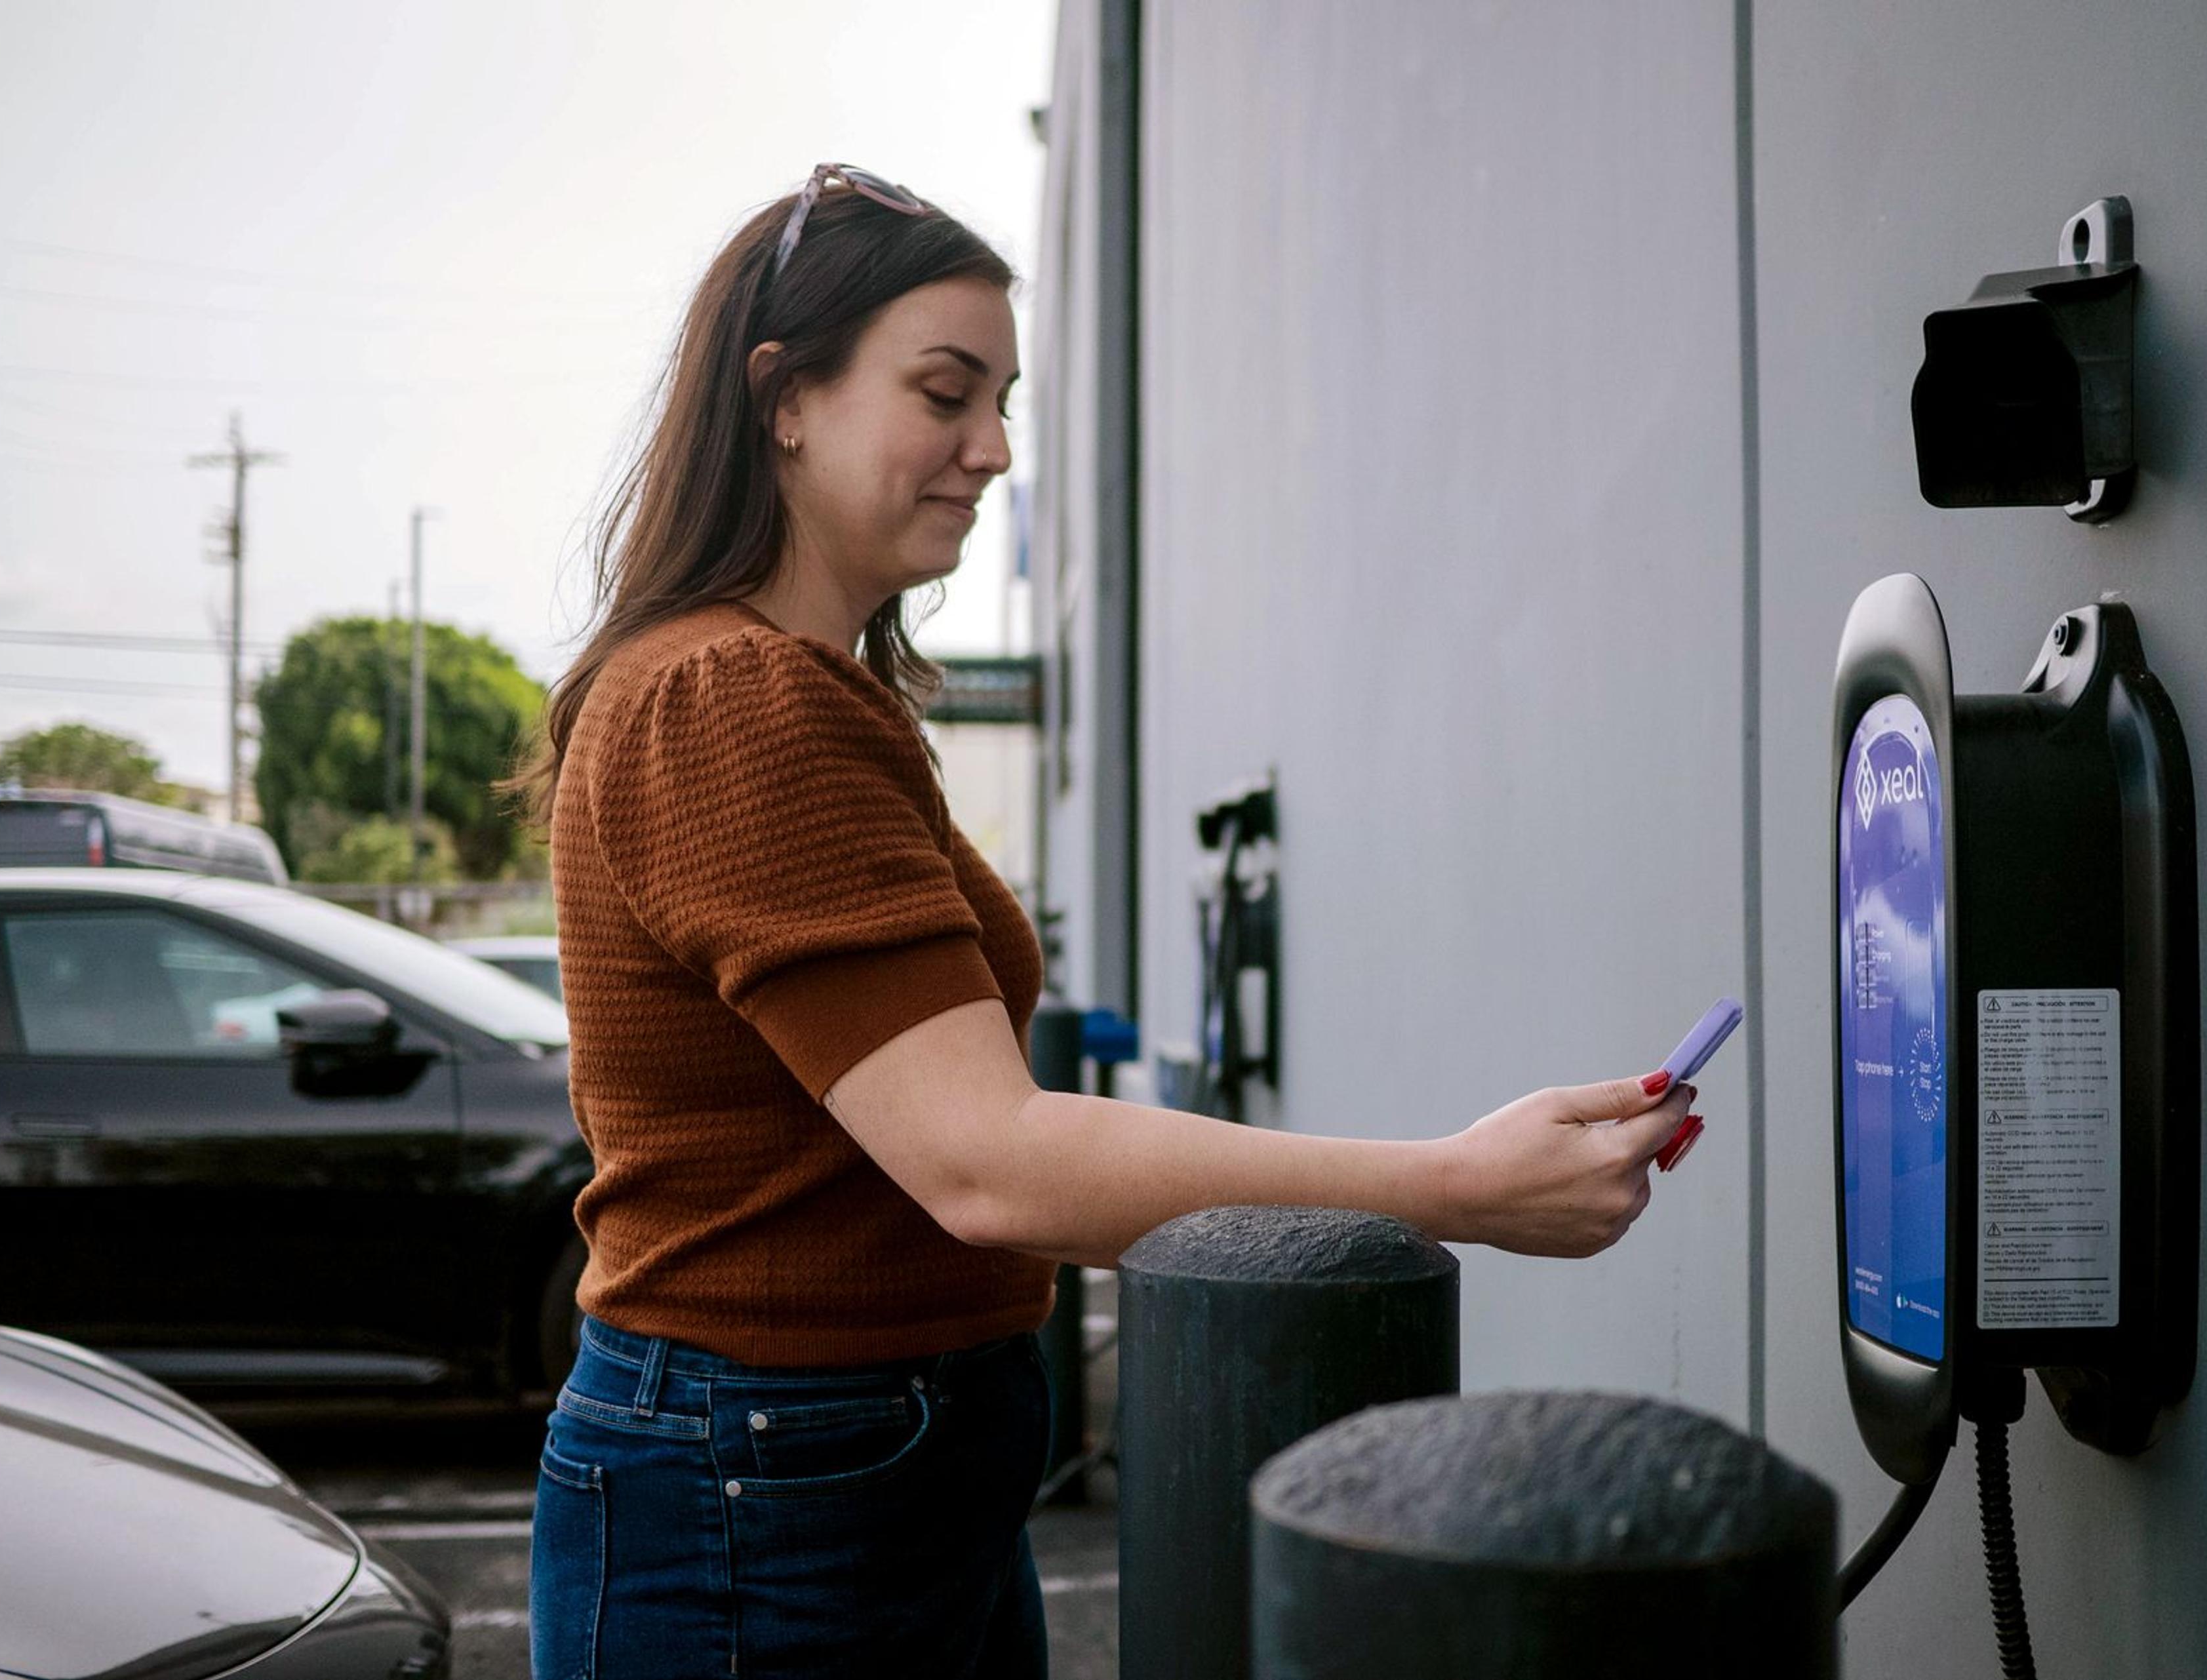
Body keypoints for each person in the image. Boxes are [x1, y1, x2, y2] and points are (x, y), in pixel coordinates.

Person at [506, 164, 1698, 1680]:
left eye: (1004, 400)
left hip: (833, 1468)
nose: (994, 450)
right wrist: (1456, 1185)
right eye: (946, 393)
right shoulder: (736, 700)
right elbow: (988, 1163)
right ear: (785, 395)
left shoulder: (780, 688)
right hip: (776, 1491)